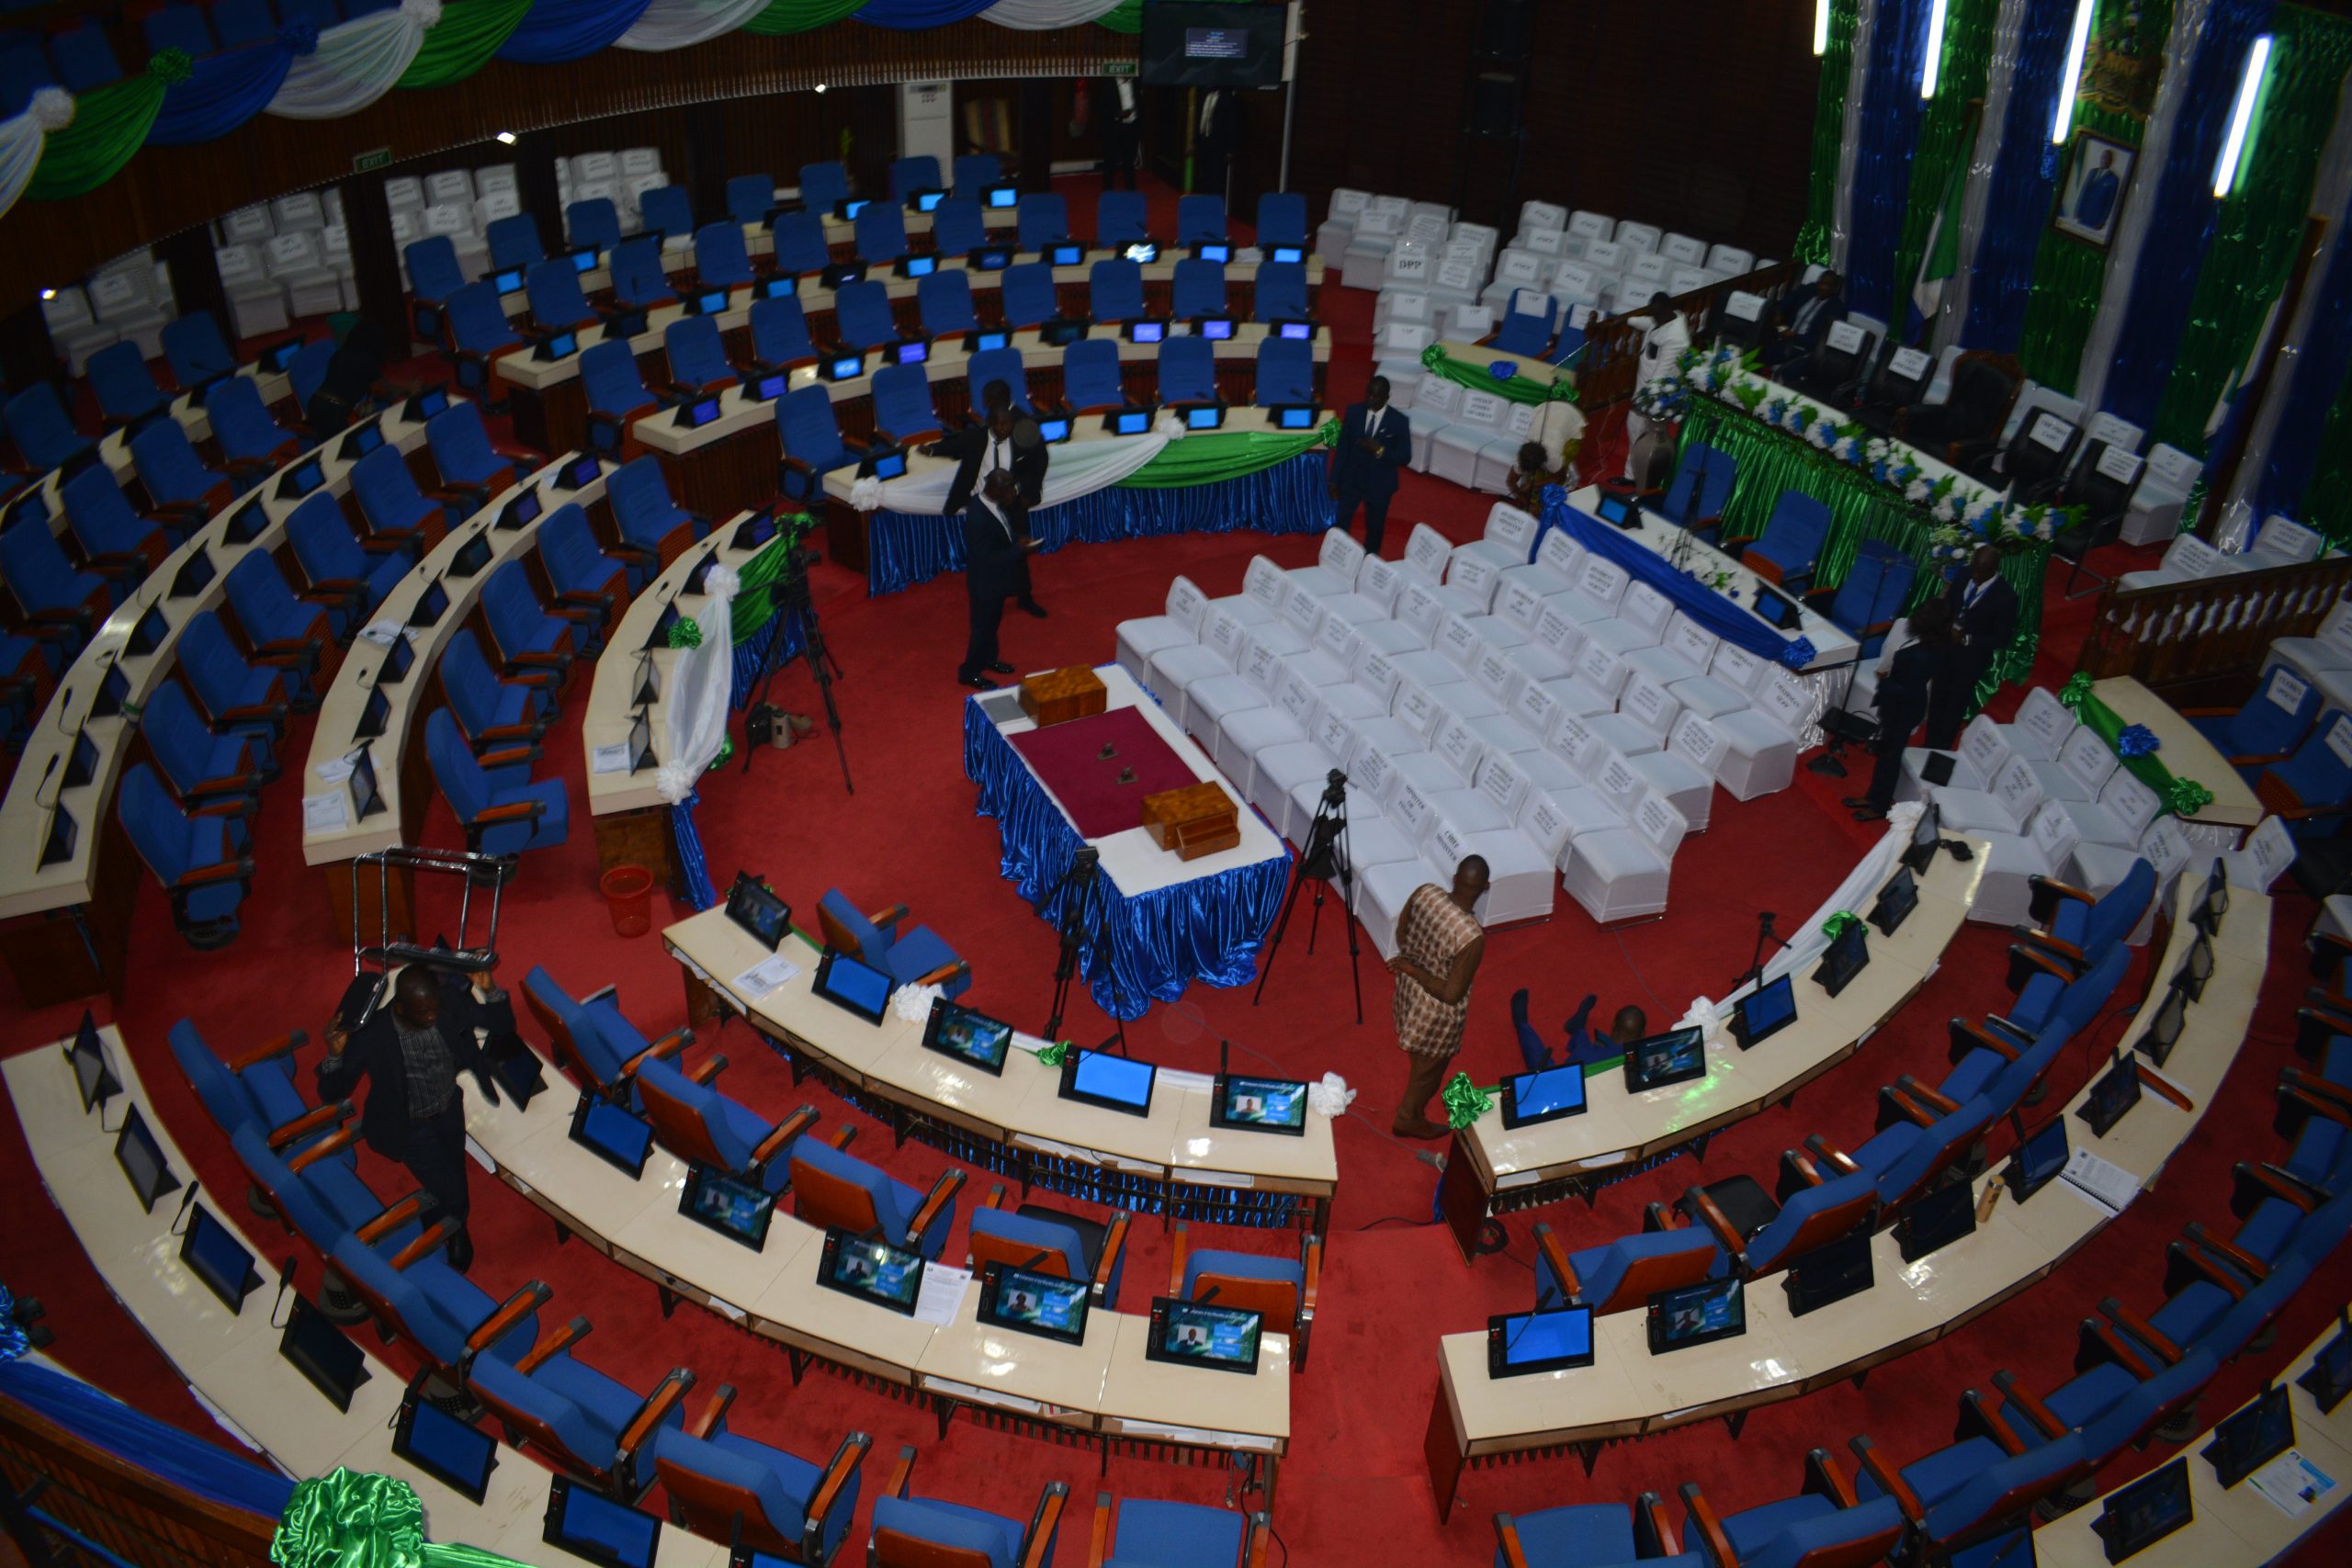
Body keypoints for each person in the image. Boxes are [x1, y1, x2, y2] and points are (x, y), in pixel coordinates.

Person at [316, 964, 514, 1272]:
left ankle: (434, 1218)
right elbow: (332, 1092)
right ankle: (454, 1231)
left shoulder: (446, 1002)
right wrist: (334, 1054)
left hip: (449, 1108)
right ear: (400, 1006)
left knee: (452, 1173)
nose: (433, 1017)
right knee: (455, 1192)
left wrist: (490, 990)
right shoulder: (372, 1036)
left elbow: (502, 1024)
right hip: (408, 1126)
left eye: (435, 1009)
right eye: (424, 1013)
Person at [1387, 856, 1490, 1139]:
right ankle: (1408, 1119)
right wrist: (1417, 969)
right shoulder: (1471, 937)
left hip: (1408, 991)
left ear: (1455, 877)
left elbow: (1402, 933)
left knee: (1416, 1048)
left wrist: (1413, 965)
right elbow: (1451, 994)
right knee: (1429, 1073)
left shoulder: (1425, 893)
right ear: (1485, 887)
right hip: (1436, 1016)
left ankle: (1415, 1056)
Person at [930, 380, 1049, 617]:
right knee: (983, 555)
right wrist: (932, 449)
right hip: (981, 505)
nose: (983, 405)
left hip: (1011, 503)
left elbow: (1039, 462)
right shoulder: (985, 428)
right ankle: (988, 599)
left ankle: (1024, 597)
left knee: (1018, 553)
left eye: (987, 400)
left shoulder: (1023, 425)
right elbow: (960, 444)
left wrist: (1022, 493)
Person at [1849, 598, 1957, 821]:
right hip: (1901, 705)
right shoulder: (1932, 643)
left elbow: (1909, 689)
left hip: (1903, 709)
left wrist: (1885, 682)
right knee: (1886, 755)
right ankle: (1873, 796)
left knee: (1890, 757)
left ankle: (1878, 805)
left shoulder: (1923, 654)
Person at [1927, 545, 2018, 748]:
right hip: (1946, 649)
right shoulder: (1964, 574)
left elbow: (2002, 638)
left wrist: (1967, 639)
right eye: (1974, 568)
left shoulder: (2006, 597)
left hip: (1970, 660)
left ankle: (1940, 748)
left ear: (1994, 569)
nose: (1975, 575)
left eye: (1981, 572)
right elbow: (1950, 604)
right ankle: (1928, 742)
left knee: (1954, 705)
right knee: (1937, 697)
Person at [957, 468, 1038, 690]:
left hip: (996, 581)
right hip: (985, 583)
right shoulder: (978, 516)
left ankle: (989, 659)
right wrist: (1018, 551)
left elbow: (1001, 533)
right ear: (995, 489)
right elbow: (984, 557)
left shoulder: (991, 504)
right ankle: (969, 672)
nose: (1013, 491)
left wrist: (1016, 540)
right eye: (1009, 487)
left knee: (992, 624)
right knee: (982, 628)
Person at [1329, 376, 1412, 554]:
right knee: (1341, 525)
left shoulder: (1398, 421)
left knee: (1374, 530)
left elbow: (1405, 456)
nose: (1371, 399)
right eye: (1369, 394)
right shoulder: (1354, 412)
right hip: (1351, 480)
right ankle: (1337, 558)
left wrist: (1380, 450)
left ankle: (1368, 564)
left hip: (1379, 486)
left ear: (1386, 398)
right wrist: (1334, 480)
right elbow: (1343, 448)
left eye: (1376, 396)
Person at [1620, 294, 1691, 484]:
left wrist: (1643, 401)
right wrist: (1627, 319)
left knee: (1643, 431)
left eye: (1656, 313)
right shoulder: (1664, 318)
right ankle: (1632, 474)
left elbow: (1660, 375)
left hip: (1655, 394)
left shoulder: (1676, 339)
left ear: (1666, 310)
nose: (1653, 317)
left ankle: (1639, 477)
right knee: (1634, 428)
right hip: (1642, 384)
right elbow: (1649, 324)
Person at [304, 319, 394, 439]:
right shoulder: (366, 360)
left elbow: (345, 385)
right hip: (334, 413)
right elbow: (387, 387)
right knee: (344, 449)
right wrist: (410, 387)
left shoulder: (340, 354)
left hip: (316, 403)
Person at [1768, 270, 1847, 375]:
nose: (1823, 288)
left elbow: (1823, 339)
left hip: (1804, 349)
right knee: (1762, 355)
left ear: (1834, 289)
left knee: (1789, 372)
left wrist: (1794, 336)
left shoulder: (1838, 308)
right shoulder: (1809, 289)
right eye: (1822, 283)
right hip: (1784, 338)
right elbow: (1789, 299)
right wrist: (1779, 313)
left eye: (1828, 286)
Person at [1562, 997, 1647, 1068]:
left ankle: (1579, 1028)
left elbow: (1564, 1071)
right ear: (1642, 1034)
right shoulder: (1644, 1058)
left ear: (1613, 1024)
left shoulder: (1583, 1053)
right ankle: (1578, 1028)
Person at [1098, 75, 1140, 191]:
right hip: (1114, 127)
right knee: (1110, 161)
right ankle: (1108, 191)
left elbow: (1139, 102)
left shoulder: (1136, 81)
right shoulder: (1108, 83)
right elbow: (1102, 107)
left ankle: (1130, 190)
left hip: (1132, 126)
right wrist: (1117, 115)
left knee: (1129, 161)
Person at [1506, 441, 1561, 515]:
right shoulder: (1523, 457)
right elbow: (1510, 482)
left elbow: (1560, 477)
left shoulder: (1553, 458)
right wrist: (1528, 504)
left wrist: (1532, 484)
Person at [2073, 148, 2121, 233]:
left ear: (2111, 161)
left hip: (2096, 217)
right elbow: (2083, 192)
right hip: (2083, 213)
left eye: (2107, 158)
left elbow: (2109, 203)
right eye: (2103, 157)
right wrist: (2077, 210)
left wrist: (2102, 221)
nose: (2104, 160)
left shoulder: (2113, 179)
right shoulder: (2092, 172)